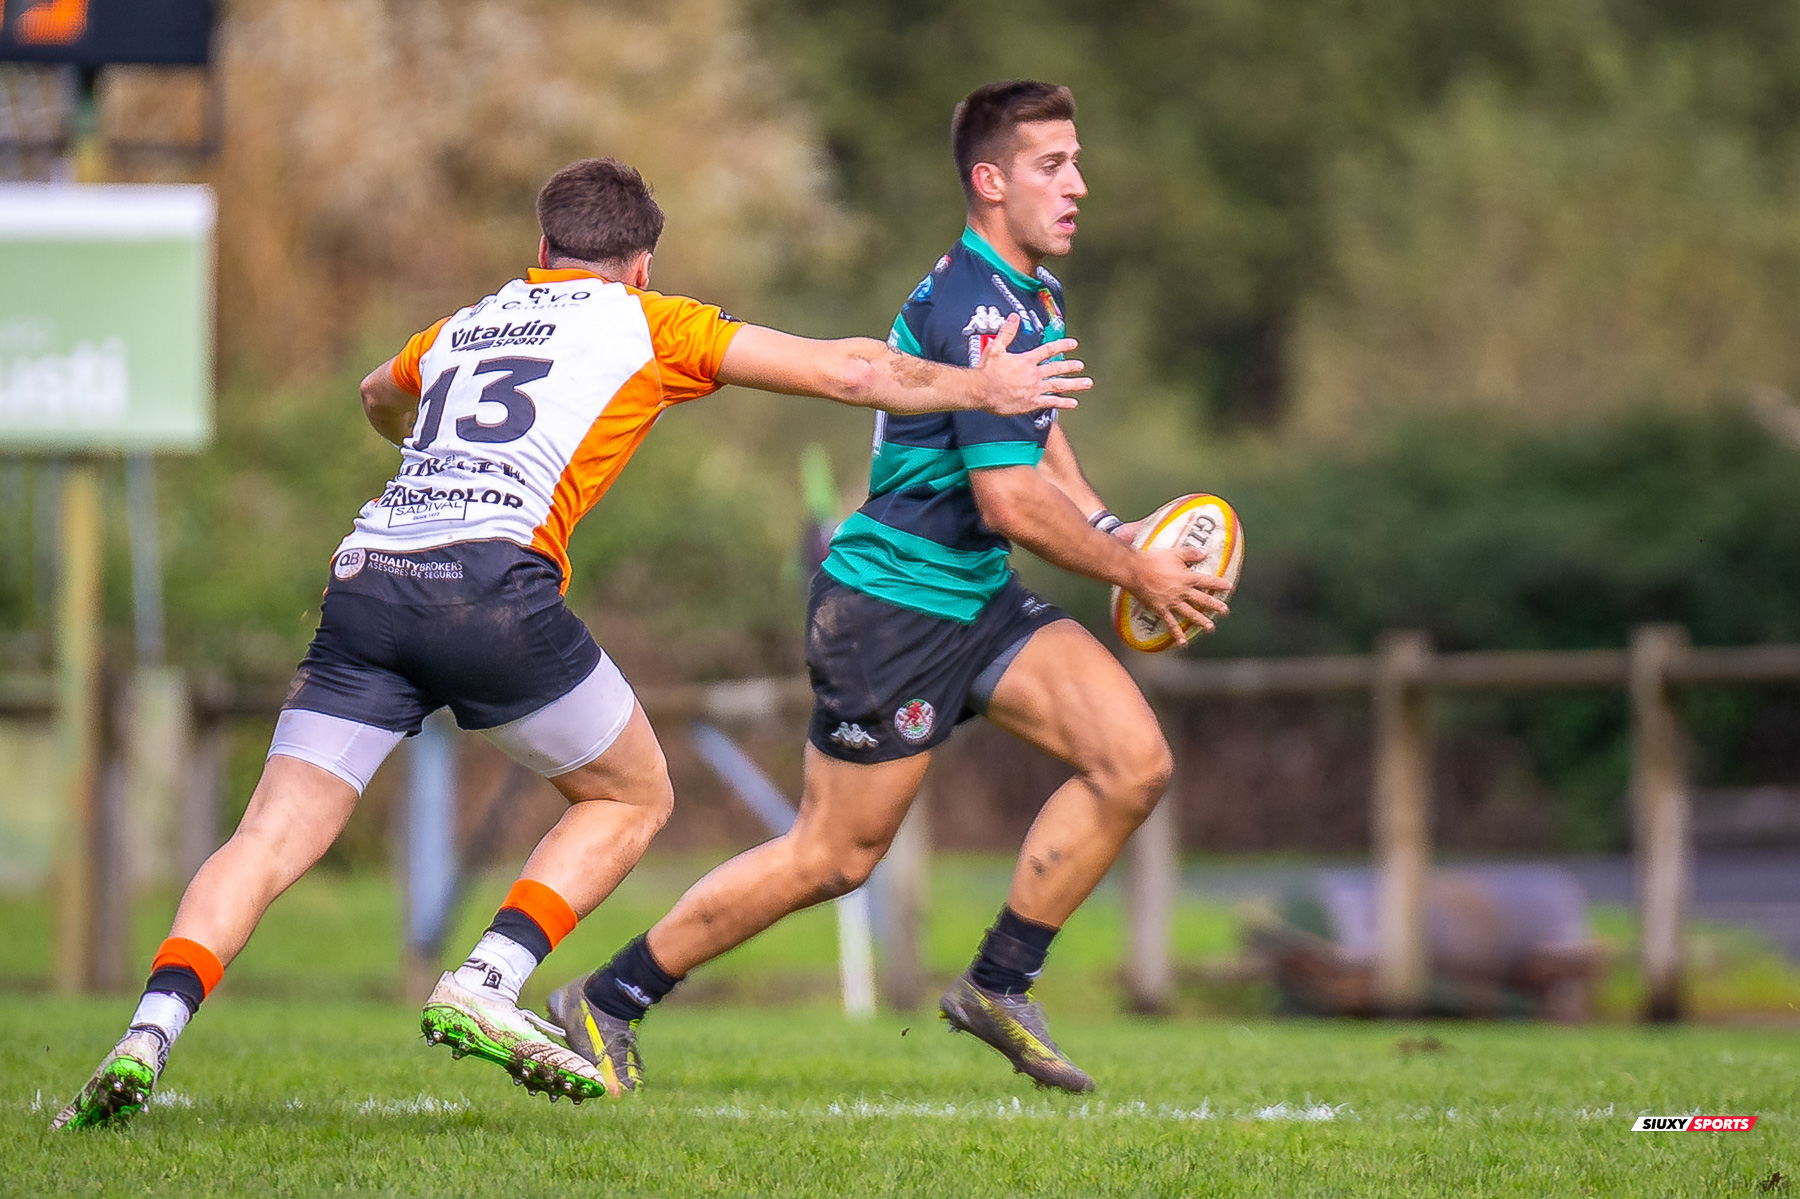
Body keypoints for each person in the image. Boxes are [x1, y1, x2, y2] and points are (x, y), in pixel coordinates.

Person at [52, 155, 1089, 1130]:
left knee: (267, 836)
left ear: (540, 249)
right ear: (640, 263)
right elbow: (852, 371)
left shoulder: (465, 323)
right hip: (491, 584)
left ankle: (149, 1031)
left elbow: (378, 392)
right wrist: (978, 389)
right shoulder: (650, 319)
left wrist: (413, 444)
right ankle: (490, 978)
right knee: (632, 793)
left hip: (368, 579)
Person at [548, 82, 1229, 1094]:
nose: (1080, 184)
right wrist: (1134, 566)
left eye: (1078, 162)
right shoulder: (973, 305)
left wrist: (1108, 524)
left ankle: (1000, 981)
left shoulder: (1027, 295)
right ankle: (607, 995)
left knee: (1132, 760)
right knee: (833, 854)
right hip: (893, 606)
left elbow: (1038, 439)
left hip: (975, 596)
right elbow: (1004, 498)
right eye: (1055, 165)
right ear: (990, 181)